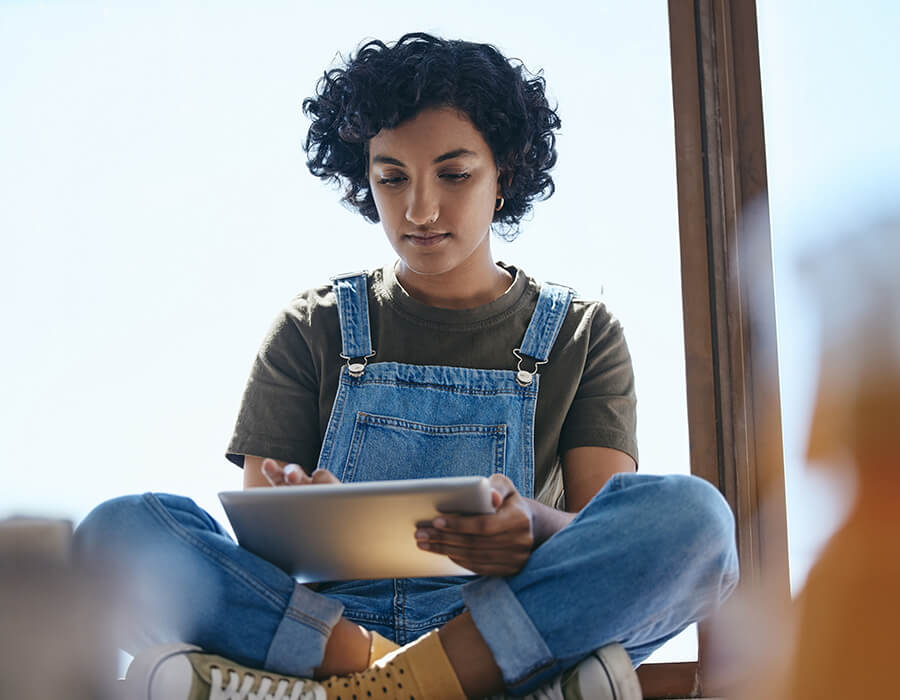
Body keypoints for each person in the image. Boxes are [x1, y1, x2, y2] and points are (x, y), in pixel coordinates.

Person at [74, 33, 739, 700]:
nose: (419, 210)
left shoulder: (580, 334)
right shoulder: (313, 326)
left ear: (503, 173)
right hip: (328, 632)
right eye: (392, 178)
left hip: (504, 627)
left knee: (695, 523)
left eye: (454, 175)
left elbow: (598, 539)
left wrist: (531, 529)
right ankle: (406, 677)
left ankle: (358, 688)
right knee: (113, 533)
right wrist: (308, 515)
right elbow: (262, 554)